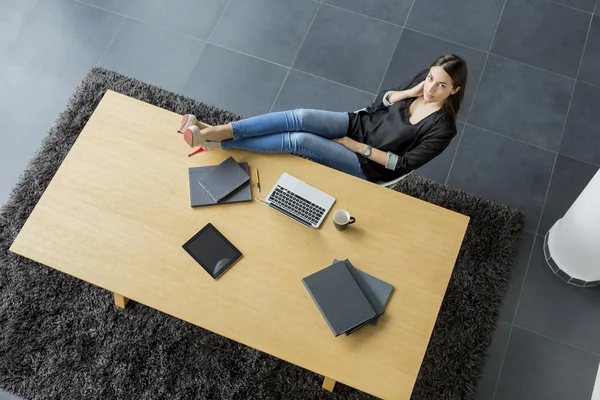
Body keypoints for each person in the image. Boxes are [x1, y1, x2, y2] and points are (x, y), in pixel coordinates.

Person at [179, 54, 467, 183]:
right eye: (430, 78)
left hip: (366, 164)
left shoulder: (443, 129)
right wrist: (406, 93)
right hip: (358, 124)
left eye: (441, 86)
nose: (430, 88)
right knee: (300, 116)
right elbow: (379, 104)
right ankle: (215, 133)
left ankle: (217, 139)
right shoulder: (421, 84)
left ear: (455, 90)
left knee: (300, 140)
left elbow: (402, 164)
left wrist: (356, 148)